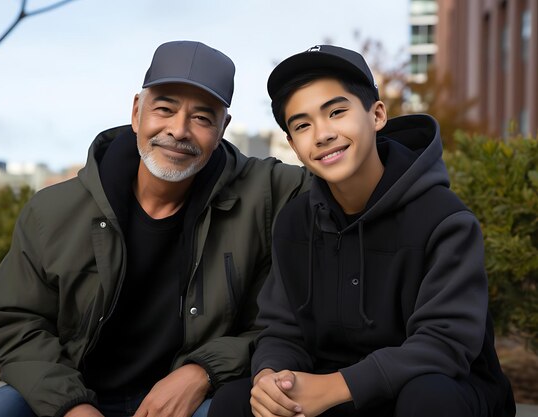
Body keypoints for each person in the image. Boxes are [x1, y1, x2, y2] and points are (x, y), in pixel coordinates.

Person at [0, 40, 309, 417]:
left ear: (222, 128)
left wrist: (203, 371)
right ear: (136, 112)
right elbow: (15, 322)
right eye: (164, 108)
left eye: (202, 118)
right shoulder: (53, 211)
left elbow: (343, 169)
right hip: (78, 393)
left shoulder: (267, 194)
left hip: (191, 404)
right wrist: (71, 406)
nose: (179, 130)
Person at [207, 45, 516, 417]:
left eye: (337, 112)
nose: (322, 134)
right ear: (293, 144)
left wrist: (337, 386)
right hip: (330, 389)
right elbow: (281, 330)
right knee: (237, 402)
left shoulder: (444, 219)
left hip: (437, 386)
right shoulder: (294, 221)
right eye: (302, 125)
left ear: (377, 115)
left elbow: (444, 344)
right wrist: (273, 378)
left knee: (429, 397)